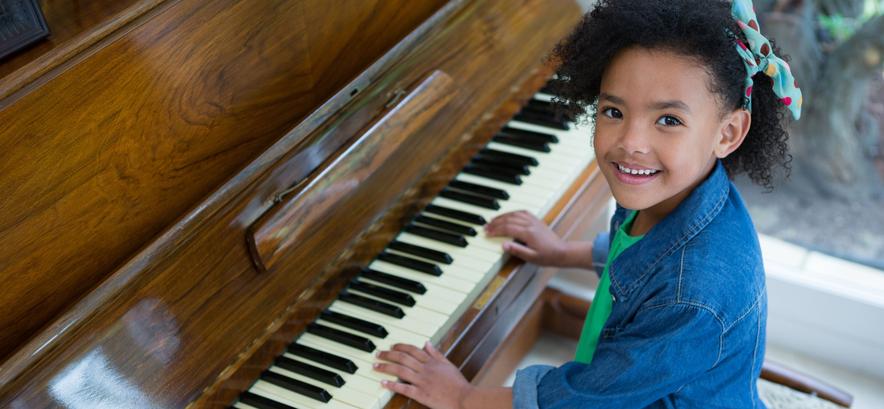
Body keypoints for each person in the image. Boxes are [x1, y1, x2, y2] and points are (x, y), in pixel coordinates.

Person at [371, 0, 802, 407]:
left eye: (668, 120)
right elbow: (637, 254)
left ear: (727, 133)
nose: (630, 143)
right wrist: (561, 252)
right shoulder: (674, 193)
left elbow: (585, 398)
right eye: (613, 111)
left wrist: (465, 399)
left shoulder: (693, 297)